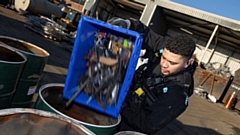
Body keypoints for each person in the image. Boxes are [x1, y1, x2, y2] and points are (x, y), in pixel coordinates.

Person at [109, 18, 196, 134]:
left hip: (129, 124)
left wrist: (120, 103)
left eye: (172, 63)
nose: (164, 64)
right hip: (126, 93)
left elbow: (147, 125)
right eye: (163, 57)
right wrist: (127, 24)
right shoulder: (168, 48)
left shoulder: (177, 94)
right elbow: (146, 33)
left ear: (187, 63)